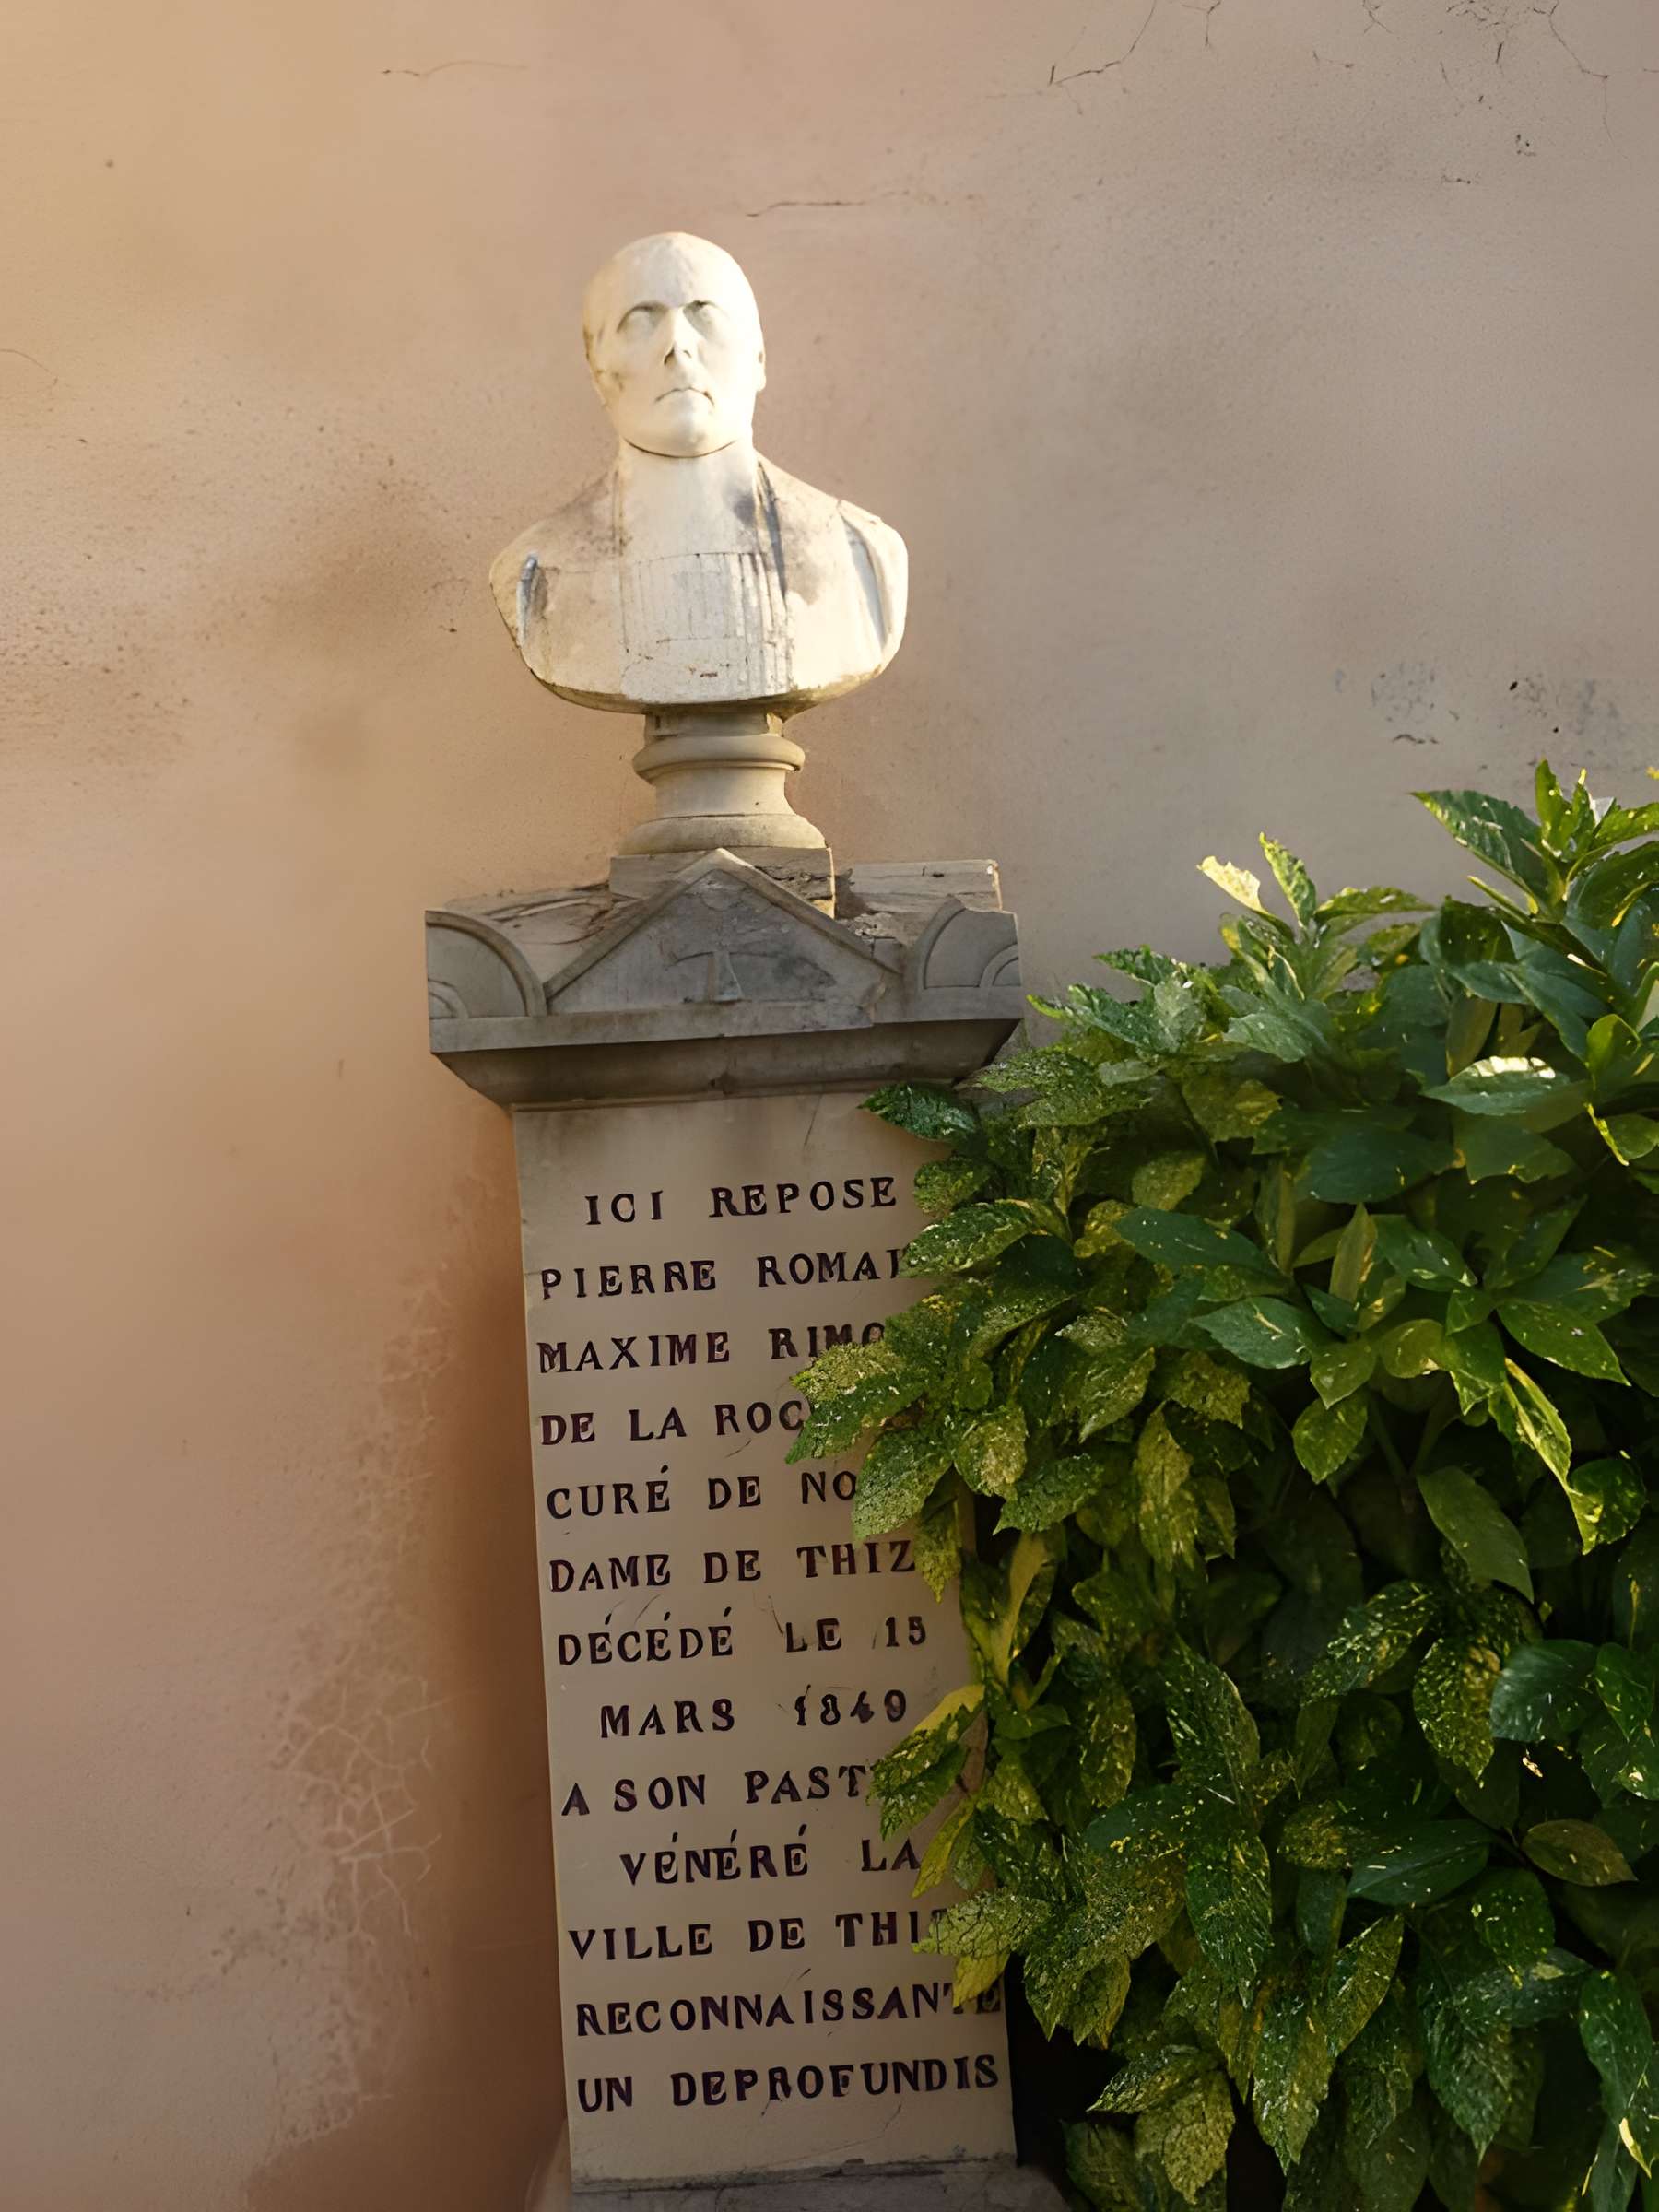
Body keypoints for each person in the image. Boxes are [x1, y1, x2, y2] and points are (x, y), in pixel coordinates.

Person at [490, 232, 907, 717]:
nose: (678, 347)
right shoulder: (537, 572)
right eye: (640, 323)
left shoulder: (859, 554)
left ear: (758, 359)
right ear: (598, 374)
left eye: (705, 316)